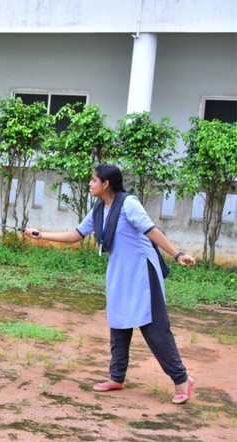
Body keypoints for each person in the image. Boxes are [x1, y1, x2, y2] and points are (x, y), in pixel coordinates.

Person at [23, 163, 196, 404]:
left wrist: (177, 255)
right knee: (119, 322)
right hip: (120, 271)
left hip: (142, 271)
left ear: (106, 184)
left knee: (154, 329)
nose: (90, 184)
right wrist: (41, 235)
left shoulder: (128, 204)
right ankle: (117, 377)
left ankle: (181, 379)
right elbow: (75, 235)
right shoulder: (98, 210)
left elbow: (152, 231)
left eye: (93, 180)